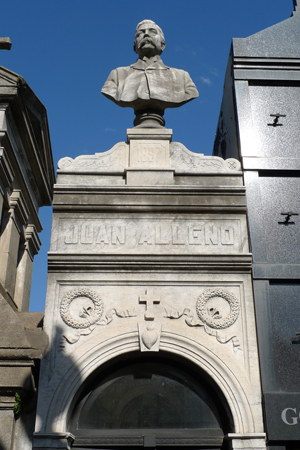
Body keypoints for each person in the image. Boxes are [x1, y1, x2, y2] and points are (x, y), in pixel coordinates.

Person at [101, 20, 199, 125]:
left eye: (152, 32)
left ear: (163, 44)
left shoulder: (182, 77)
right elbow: (109, 90)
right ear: (134, 46)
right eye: (140, 33)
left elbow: (191, 93)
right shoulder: (117, 75)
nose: (146, 34)